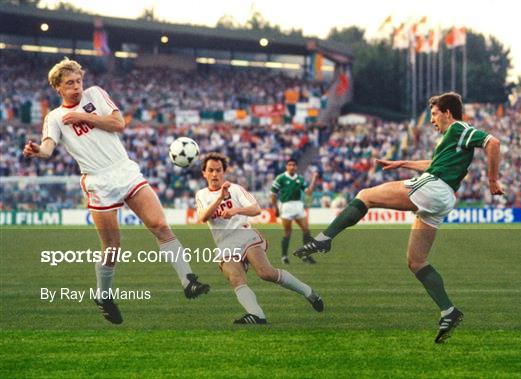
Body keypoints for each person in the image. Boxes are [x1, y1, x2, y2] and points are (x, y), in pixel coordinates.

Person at [294, 92, 504, 343]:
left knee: (365, 195)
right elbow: (434, 163)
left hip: (433, 188)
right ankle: (449, 310)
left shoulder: (459, 127)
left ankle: (324, 238)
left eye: (435, 114)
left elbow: (493, 142)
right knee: (416, 261)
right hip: (443, 196)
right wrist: (402, 163)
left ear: (448, 113)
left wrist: (492, 180)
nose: (432, 120)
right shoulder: (452, 139)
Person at [23, 57, 210, 325]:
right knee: (112, 247)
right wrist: (37, 151)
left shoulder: (95, 94)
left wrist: (84, 116)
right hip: (98, 183)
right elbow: (48, 147)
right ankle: (104, 296)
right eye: (69, 84)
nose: (76, 87)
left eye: (78, 81)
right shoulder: (54, 117)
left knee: (159, 224)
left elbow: (118, 123)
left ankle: (188, 281)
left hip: (124, 170)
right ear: (58, 88)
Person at [196, 153, 323, 324]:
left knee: (266, 273)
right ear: (204, 173)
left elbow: (256, 209)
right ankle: (257, 315)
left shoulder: (235, 189)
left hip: (245, 234)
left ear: (223, 172)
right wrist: (219, 198)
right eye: (210, 170)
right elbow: (203, 217)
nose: (214, 174)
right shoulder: (202, 195)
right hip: (224, 244)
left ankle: (308, 292)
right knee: (236, 278)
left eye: (218, 170)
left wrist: (235, 211)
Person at [270, 158, 318, 264]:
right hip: (286, 207)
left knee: (306, 230)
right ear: (286, 167)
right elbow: (273, 194)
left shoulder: (300, 179)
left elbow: (308, 192)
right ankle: (284, 256)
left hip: (298, 205)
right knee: (288, 233)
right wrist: (276, 208)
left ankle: (305, 255)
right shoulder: (281, 178)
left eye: (293, 165)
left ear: (296, 167)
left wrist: (314, 179)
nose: (291, 167)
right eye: (289, 165)